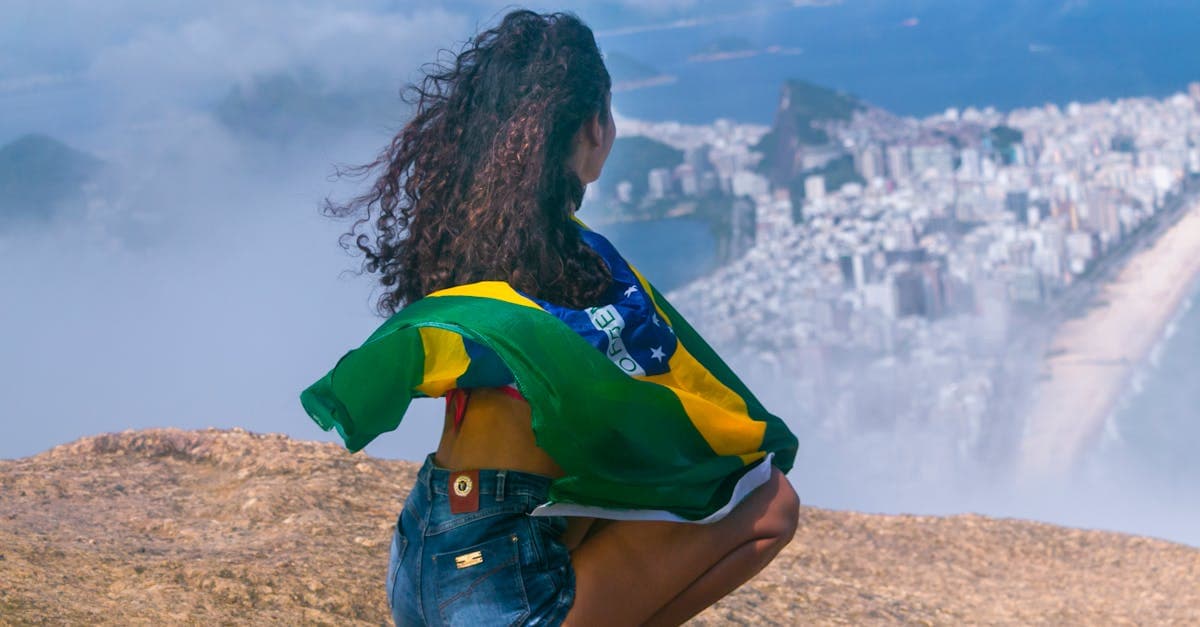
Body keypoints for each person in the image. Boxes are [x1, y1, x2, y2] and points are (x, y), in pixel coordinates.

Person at [308, 9, 800, 626]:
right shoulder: (584, 271)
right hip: (495, 589)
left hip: (421, 550)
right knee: (771, 504)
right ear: (592, 128)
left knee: (601, 485)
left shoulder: (471, 251)